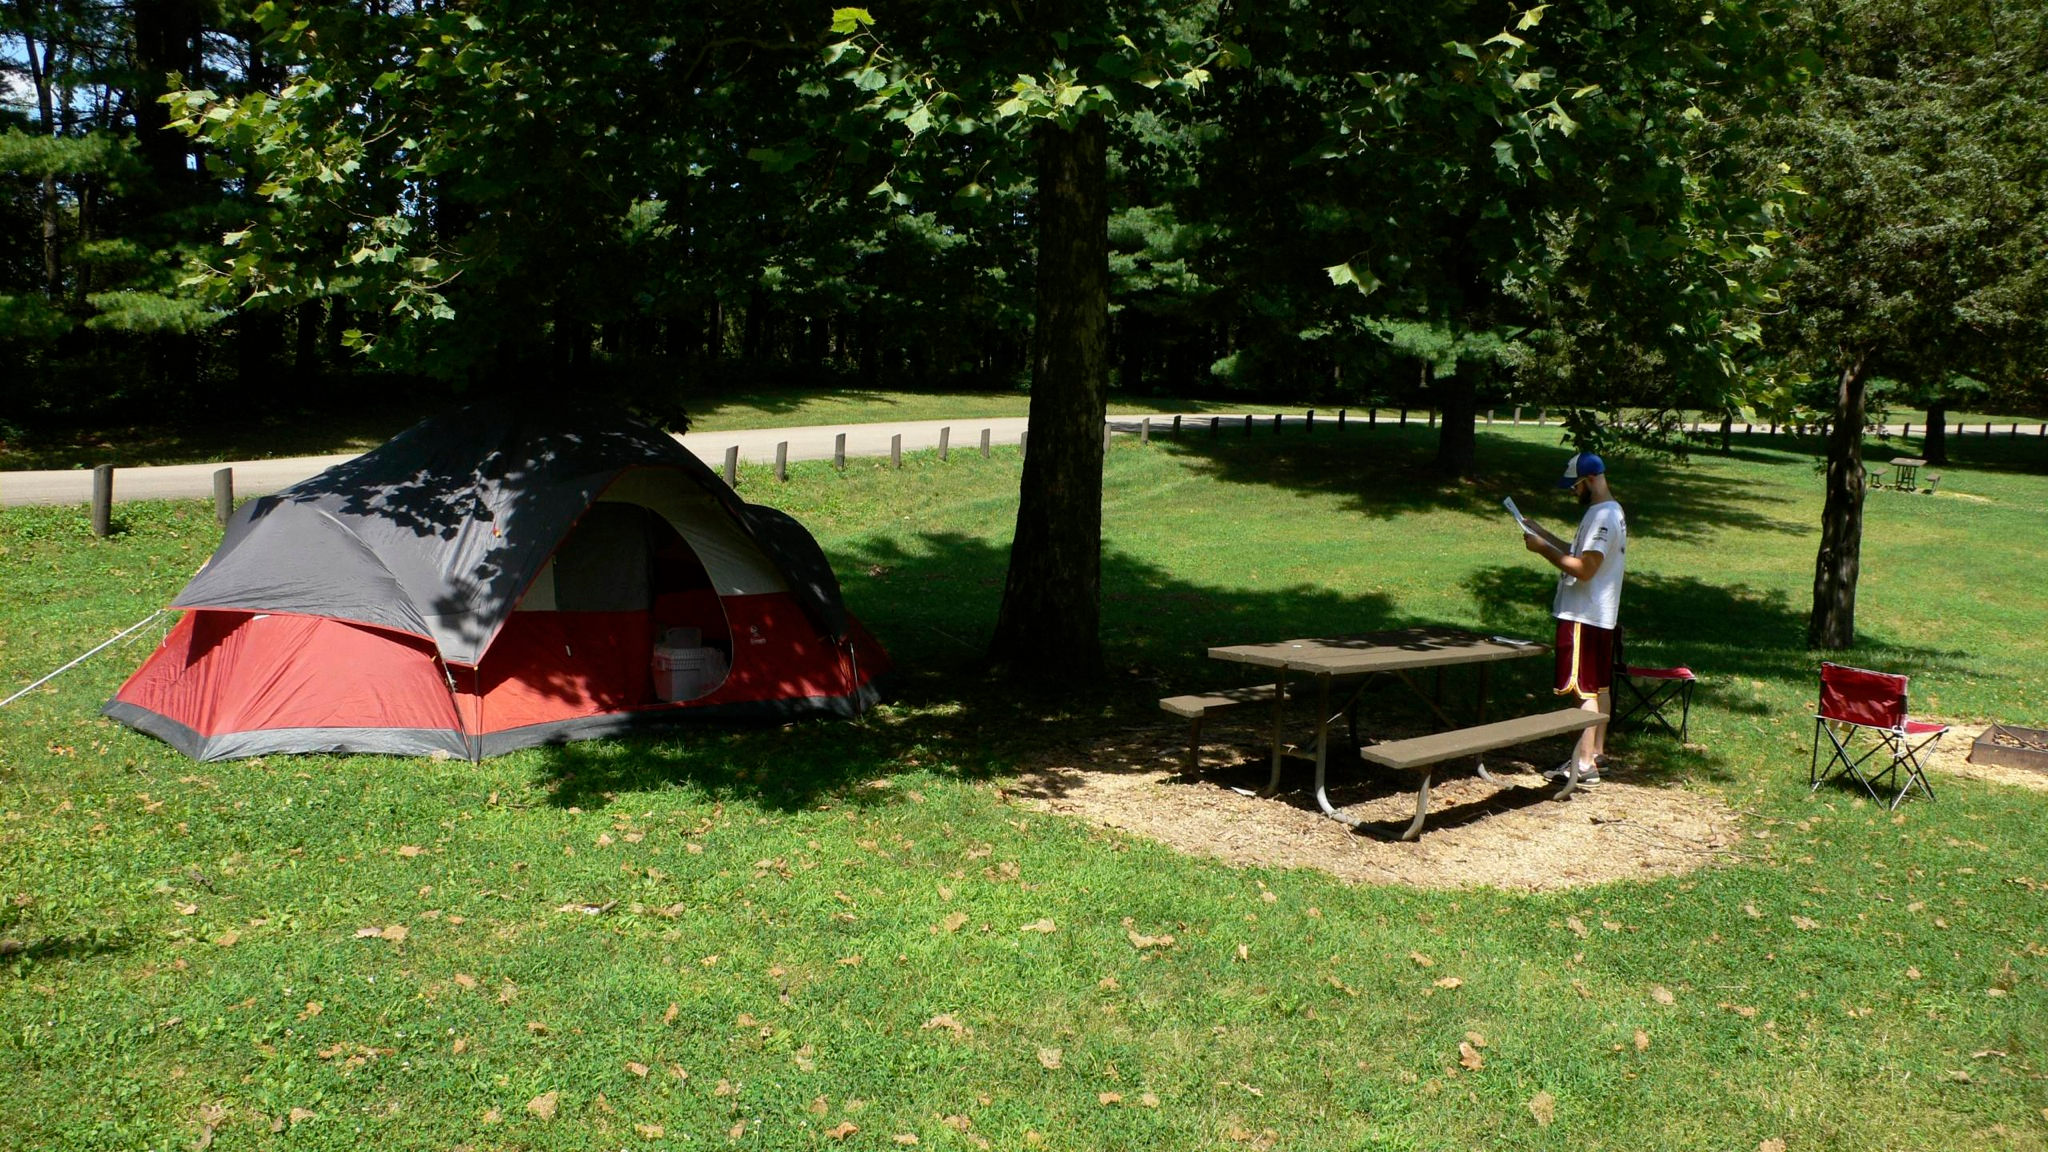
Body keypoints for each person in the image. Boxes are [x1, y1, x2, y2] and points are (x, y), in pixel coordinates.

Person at [1520, 451, 1626, 785]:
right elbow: (1577, 550)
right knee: (1599, 686)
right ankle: (1595, 754)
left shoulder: (1604, 517)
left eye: (1575, 485)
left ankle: (1583, 766)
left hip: (1583, 614)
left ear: (1591, 480)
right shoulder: (1607, 511)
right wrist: (1544, 534)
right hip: (1599, 615)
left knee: (1583, 691)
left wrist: (1541, 551)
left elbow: (1584, 569)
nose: (1571, 492)